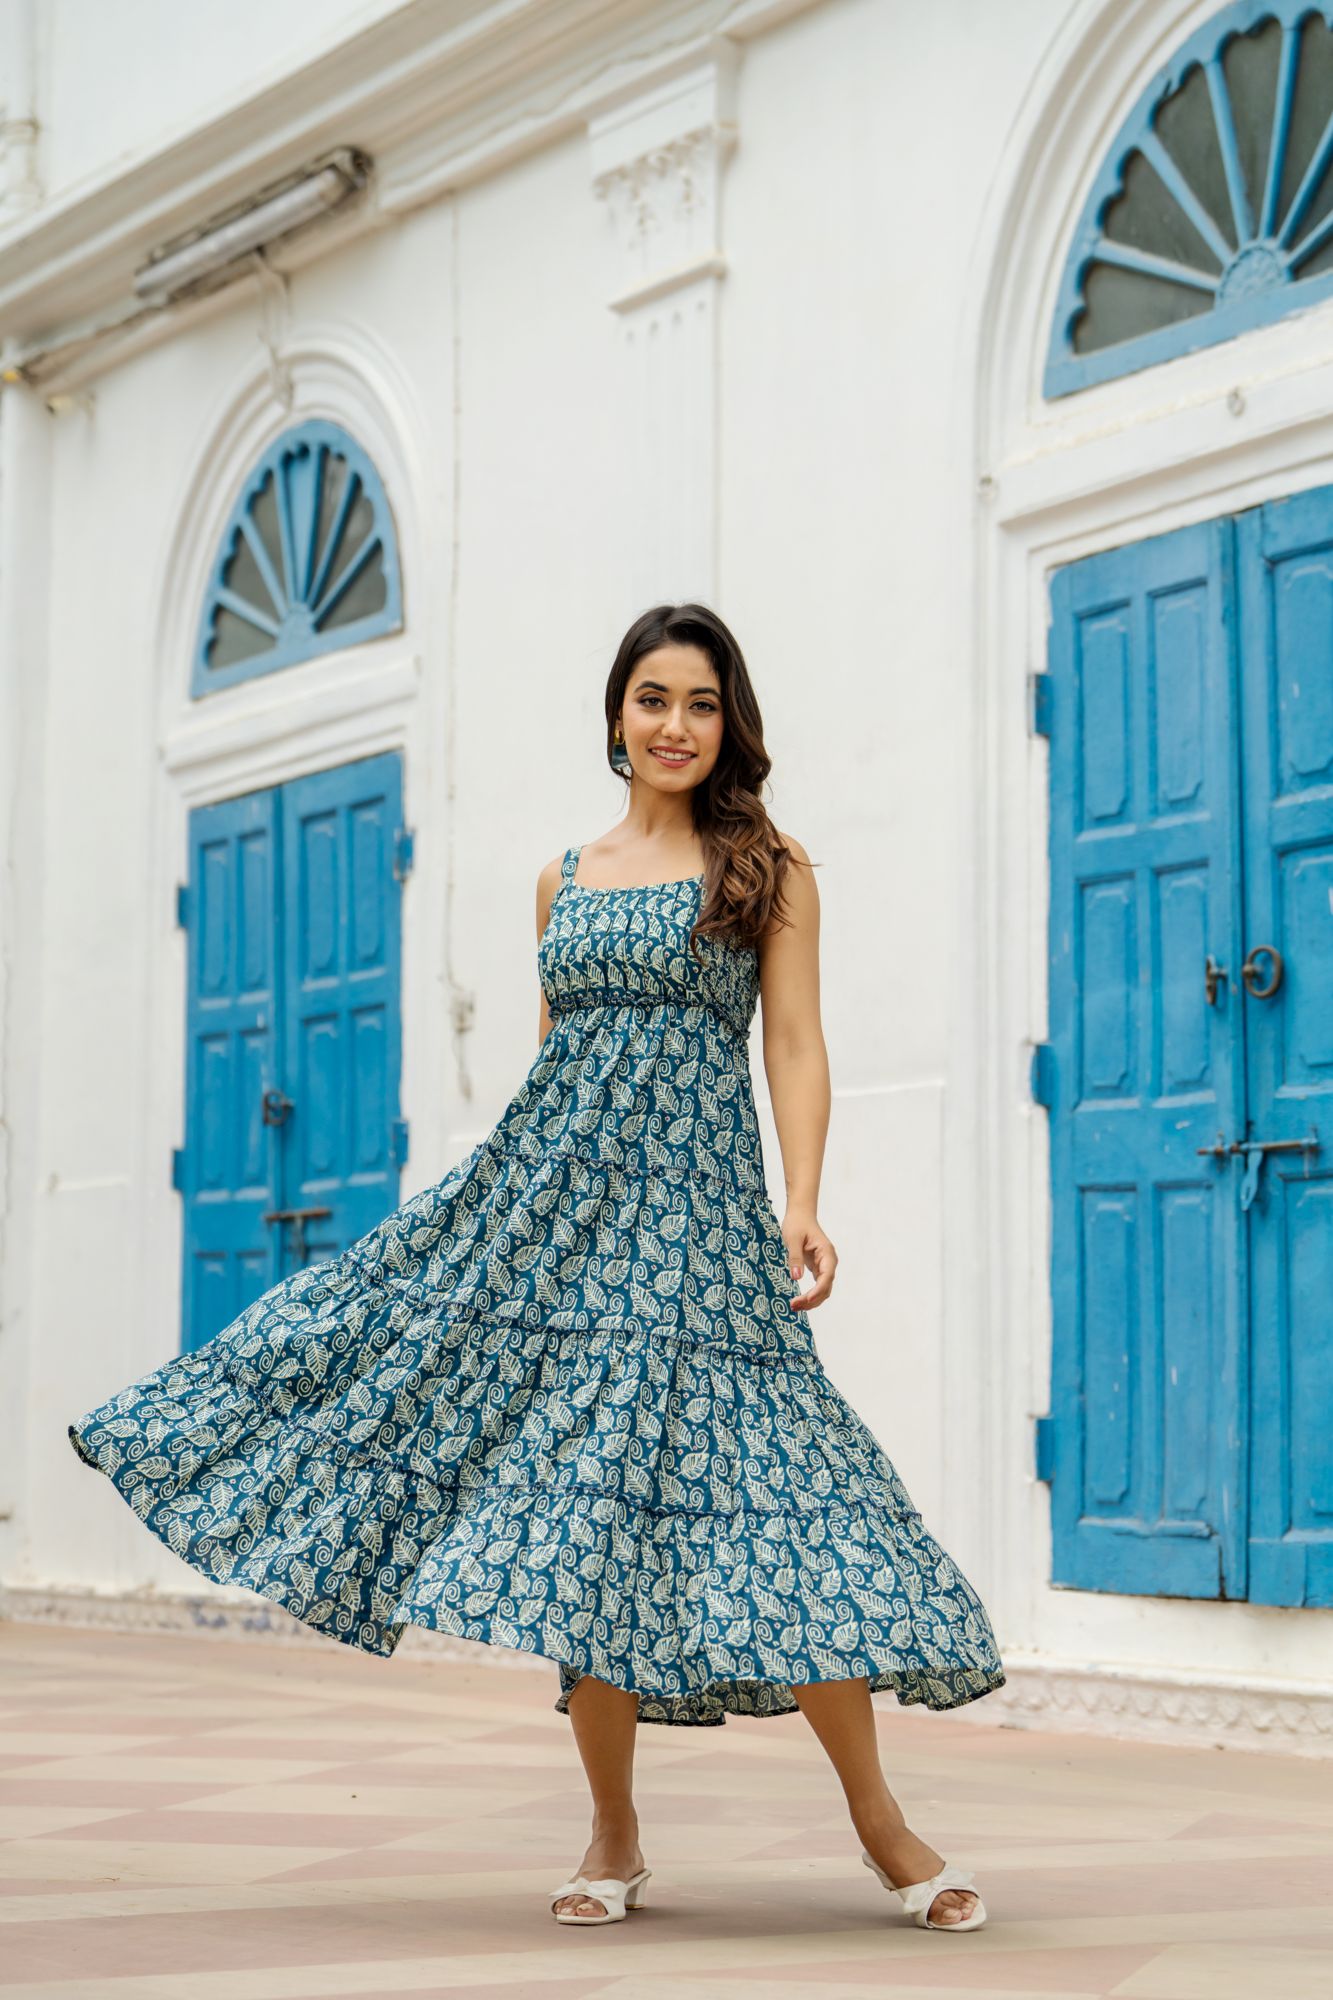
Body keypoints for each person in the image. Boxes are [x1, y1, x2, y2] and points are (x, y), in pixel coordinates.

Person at [68, 602, 1005, 1936]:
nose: (673, 724)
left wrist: (802, 1202)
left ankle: (879, 1825)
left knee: (797, 1502)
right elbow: (559, 1063)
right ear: (615, 718)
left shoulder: (768, 868)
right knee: (581, 1515)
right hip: (556, 1222)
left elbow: (792, 1045)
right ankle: (612, 1834)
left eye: (697, 701)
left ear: (728, 721)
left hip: (698, 1235)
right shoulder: (562, 877)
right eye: (649, 700)